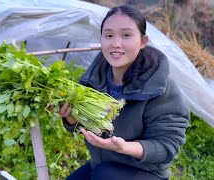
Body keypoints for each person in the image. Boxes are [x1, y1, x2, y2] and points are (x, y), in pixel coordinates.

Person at [59, 5, 190, 180]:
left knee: (103, 176)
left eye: (126, 35)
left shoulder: (160, 87)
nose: (116, 44)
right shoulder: (94, 79)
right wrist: (71, 119)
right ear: (101, 39)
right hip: (102, 164)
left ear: (143, 41)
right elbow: (83, 125)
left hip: (146, 172)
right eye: (109, 35)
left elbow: (167, 146)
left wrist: (124, 147)